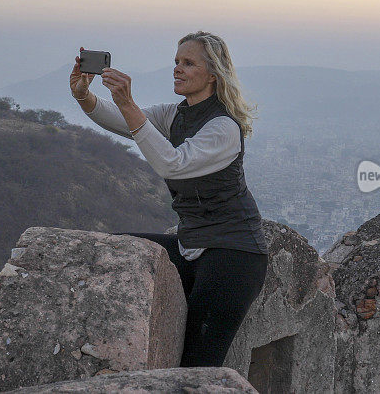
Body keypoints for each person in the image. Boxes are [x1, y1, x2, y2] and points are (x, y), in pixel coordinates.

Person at [68, 31, 268, 367]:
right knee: (113, 251)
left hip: (234, 254)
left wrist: (128, 102)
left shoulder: (223, 128)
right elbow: (120, 121)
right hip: (192, 243)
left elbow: (172, 164)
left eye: (188, 63)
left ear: (213, 75)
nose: (177, 69)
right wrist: (83, 95)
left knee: (198, 364)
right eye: (177, 61)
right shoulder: (176, 114)